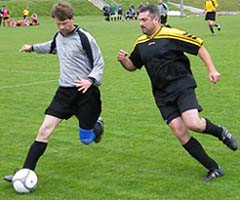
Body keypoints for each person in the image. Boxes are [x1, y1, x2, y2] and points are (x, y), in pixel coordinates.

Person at [117, 4, 238, 182]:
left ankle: (220, 132)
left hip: (181, 85)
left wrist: (212, 70)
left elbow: (199, 47)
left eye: (144, 20)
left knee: (193, 123)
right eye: (139, 20)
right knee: (179, 131)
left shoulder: (171, 34)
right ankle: (214, 168)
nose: (140, 23)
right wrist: (123, 60)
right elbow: (133, 66)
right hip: (161, 94)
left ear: (156, 19)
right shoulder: (140, 43)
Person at [4, 2, 104, 182]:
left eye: (65, 23)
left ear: (72, 19)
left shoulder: (85, 38)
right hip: (64, 94)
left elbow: (99, 63)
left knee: (87, 140)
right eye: (58, 24)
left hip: (85, 93)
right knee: (44, 130)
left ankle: (97, 125)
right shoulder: (59, 36)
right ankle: (25, 172)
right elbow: (51, 46)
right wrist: (32, 48)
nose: (62, 27)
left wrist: (90, 80)